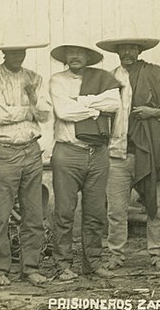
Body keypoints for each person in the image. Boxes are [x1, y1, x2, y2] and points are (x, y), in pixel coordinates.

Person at [96, 37, 160, 271]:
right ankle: (116, 254)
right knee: (116, 209)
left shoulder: (157, 76)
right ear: (117, 52)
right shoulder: (107, 79)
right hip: (117, 153)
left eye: (132, 48)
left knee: (155, 206)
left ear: (140, 51)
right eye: (123, 48)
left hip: (147, 151)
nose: (127, 52)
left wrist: (156, 112)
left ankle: (158, 253)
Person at [0, 43, 51, 286]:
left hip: (31, 148)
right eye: (12, 51)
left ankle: (30, 267)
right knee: (0, 213)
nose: (17, 56)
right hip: (5, 150)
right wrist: (28, 110)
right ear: (4, 53)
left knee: (34, 212)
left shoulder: (35, 77)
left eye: (21, 51)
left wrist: (32, 105)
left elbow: (44, 113)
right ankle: (0, 268)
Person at [49, 43, 121, 280]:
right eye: (71, 53)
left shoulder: (101, 77)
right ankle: (63, 264)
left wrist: (80, 102)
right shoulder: (58, 80)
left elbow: (113, 104)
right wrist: (94, 107)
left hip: (98, 153)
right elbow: (64, 112)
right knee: (64, 211)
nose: (76, 57)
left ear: (88, 57)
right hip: (68, 152)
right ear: (65, 57)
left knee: (95, 212)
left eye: (80, 53)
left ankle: (93, 262)